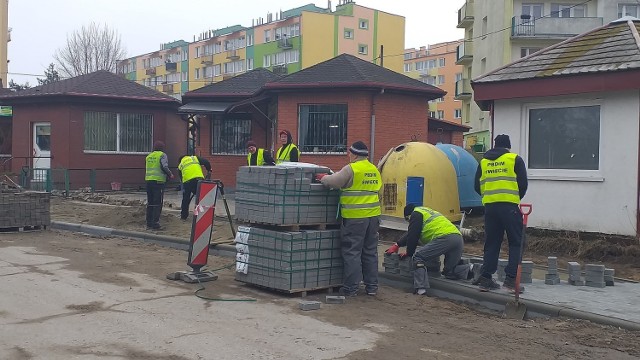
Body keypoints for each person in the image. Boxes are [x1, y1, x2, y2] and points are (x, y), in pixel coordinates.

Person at [316, 141, 382, 296]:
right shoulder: (374, 170)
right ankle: (372, 287)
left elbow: (335, 181)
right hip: (373, 217)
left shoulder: (352, 169)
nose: (348, 155)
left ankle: (351, 288)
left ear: (355, 154)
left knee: (352, 252)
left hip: (355, 218)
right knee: (370, 252)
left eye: (350, 153)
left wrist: (324, 177)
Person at [473, 134, 528, 292]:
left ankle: (486, 278)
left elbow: (477, 186)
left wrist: (489, 195)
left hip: (490, 208)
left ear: (494, 145)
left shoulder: (483, 162)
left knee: (492, 242)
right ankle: (511, 280)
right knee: (517, 242)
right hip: (509, 207)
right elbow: (523, 184)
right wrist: (514, 197)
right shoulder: (514, 159)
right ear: (508, 146)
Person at [385, 204, 471, 296]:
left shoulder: (415, 214)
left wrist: (409, 253)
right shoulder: (427, 212)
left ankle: (421, 289)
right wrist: (397, 244)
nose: (409, 222)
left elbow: (413, 235)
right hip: (457, 238)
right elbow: (411, 233)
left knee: (418, 258)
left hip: (445, 238)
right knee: (449, 271)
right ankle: (473, 268)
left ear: (408, 216)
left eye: (407, 220)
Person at [145, 141, 173, 230]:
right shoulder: (162, 155)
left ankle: (149, 222)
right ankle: (155, 223)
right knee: (158, 203)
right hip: (158, 182)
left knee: (150, 202)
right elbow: (164, 166)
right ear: (162, 148)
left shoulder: (149, 156)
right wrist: (170, 174)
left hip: (149, 181)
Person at [177, 154, 212, 220]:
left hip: (187, 182)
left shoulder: (180, 164)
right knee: (201, 197)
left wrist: (183, 186)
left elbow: (181, 178)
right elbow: (206, 162)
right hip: (199, 180)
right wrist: (209, 170)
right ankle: (202, 215)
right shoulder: (194, 158)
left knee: (186, 199)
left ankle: (184, 216)